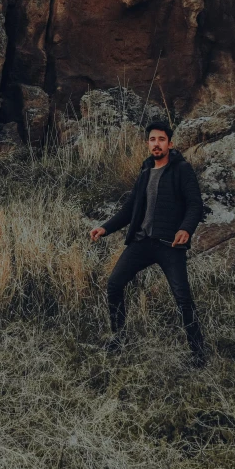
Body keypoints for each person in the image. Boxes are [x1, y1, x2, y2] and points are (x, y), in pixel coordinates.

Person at [90, 120, 206, 367]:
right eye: (152, 139)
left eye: (161, 139)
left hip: (170, 245)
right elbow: (130, 208)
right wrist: (105, 227)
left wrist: (185, 229)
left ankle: (198, 354)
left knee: (183, 298)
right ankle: (119, 337)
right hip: (142, 242)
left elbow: (195, 204)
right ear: (147, 143)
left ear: (170, 144)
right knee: (114, 284)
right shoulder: (145, 171)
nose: (156, 144)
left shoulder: (181, 169)